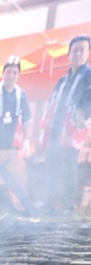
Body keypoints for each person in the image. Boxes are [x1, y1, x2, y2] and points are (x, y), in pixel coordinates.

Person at [38, 35, 91, 215]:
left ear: (88, 53)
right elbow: (52, 102)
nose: (77, 54)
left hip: (71, 133)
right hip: (55, 131)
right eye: (74, 50)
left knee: (69, 169)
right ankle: (49, 203)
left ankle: (68, 206)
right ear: (69, 54)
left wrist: (83, 116)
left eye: (82, 50)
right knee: (51, 168)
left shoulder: (88, 78)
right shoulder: (63, 80)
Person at [0, 56, 32, 214]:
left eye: (15, 72)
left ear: (18, 75)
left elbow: (27, 119)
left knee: (16, 180)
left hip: (13, 147)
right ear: (3, 73)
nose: (11, 76)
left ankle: (19, 210)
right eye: (8, 72)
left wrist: (27, 139)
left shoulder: (22, 95)